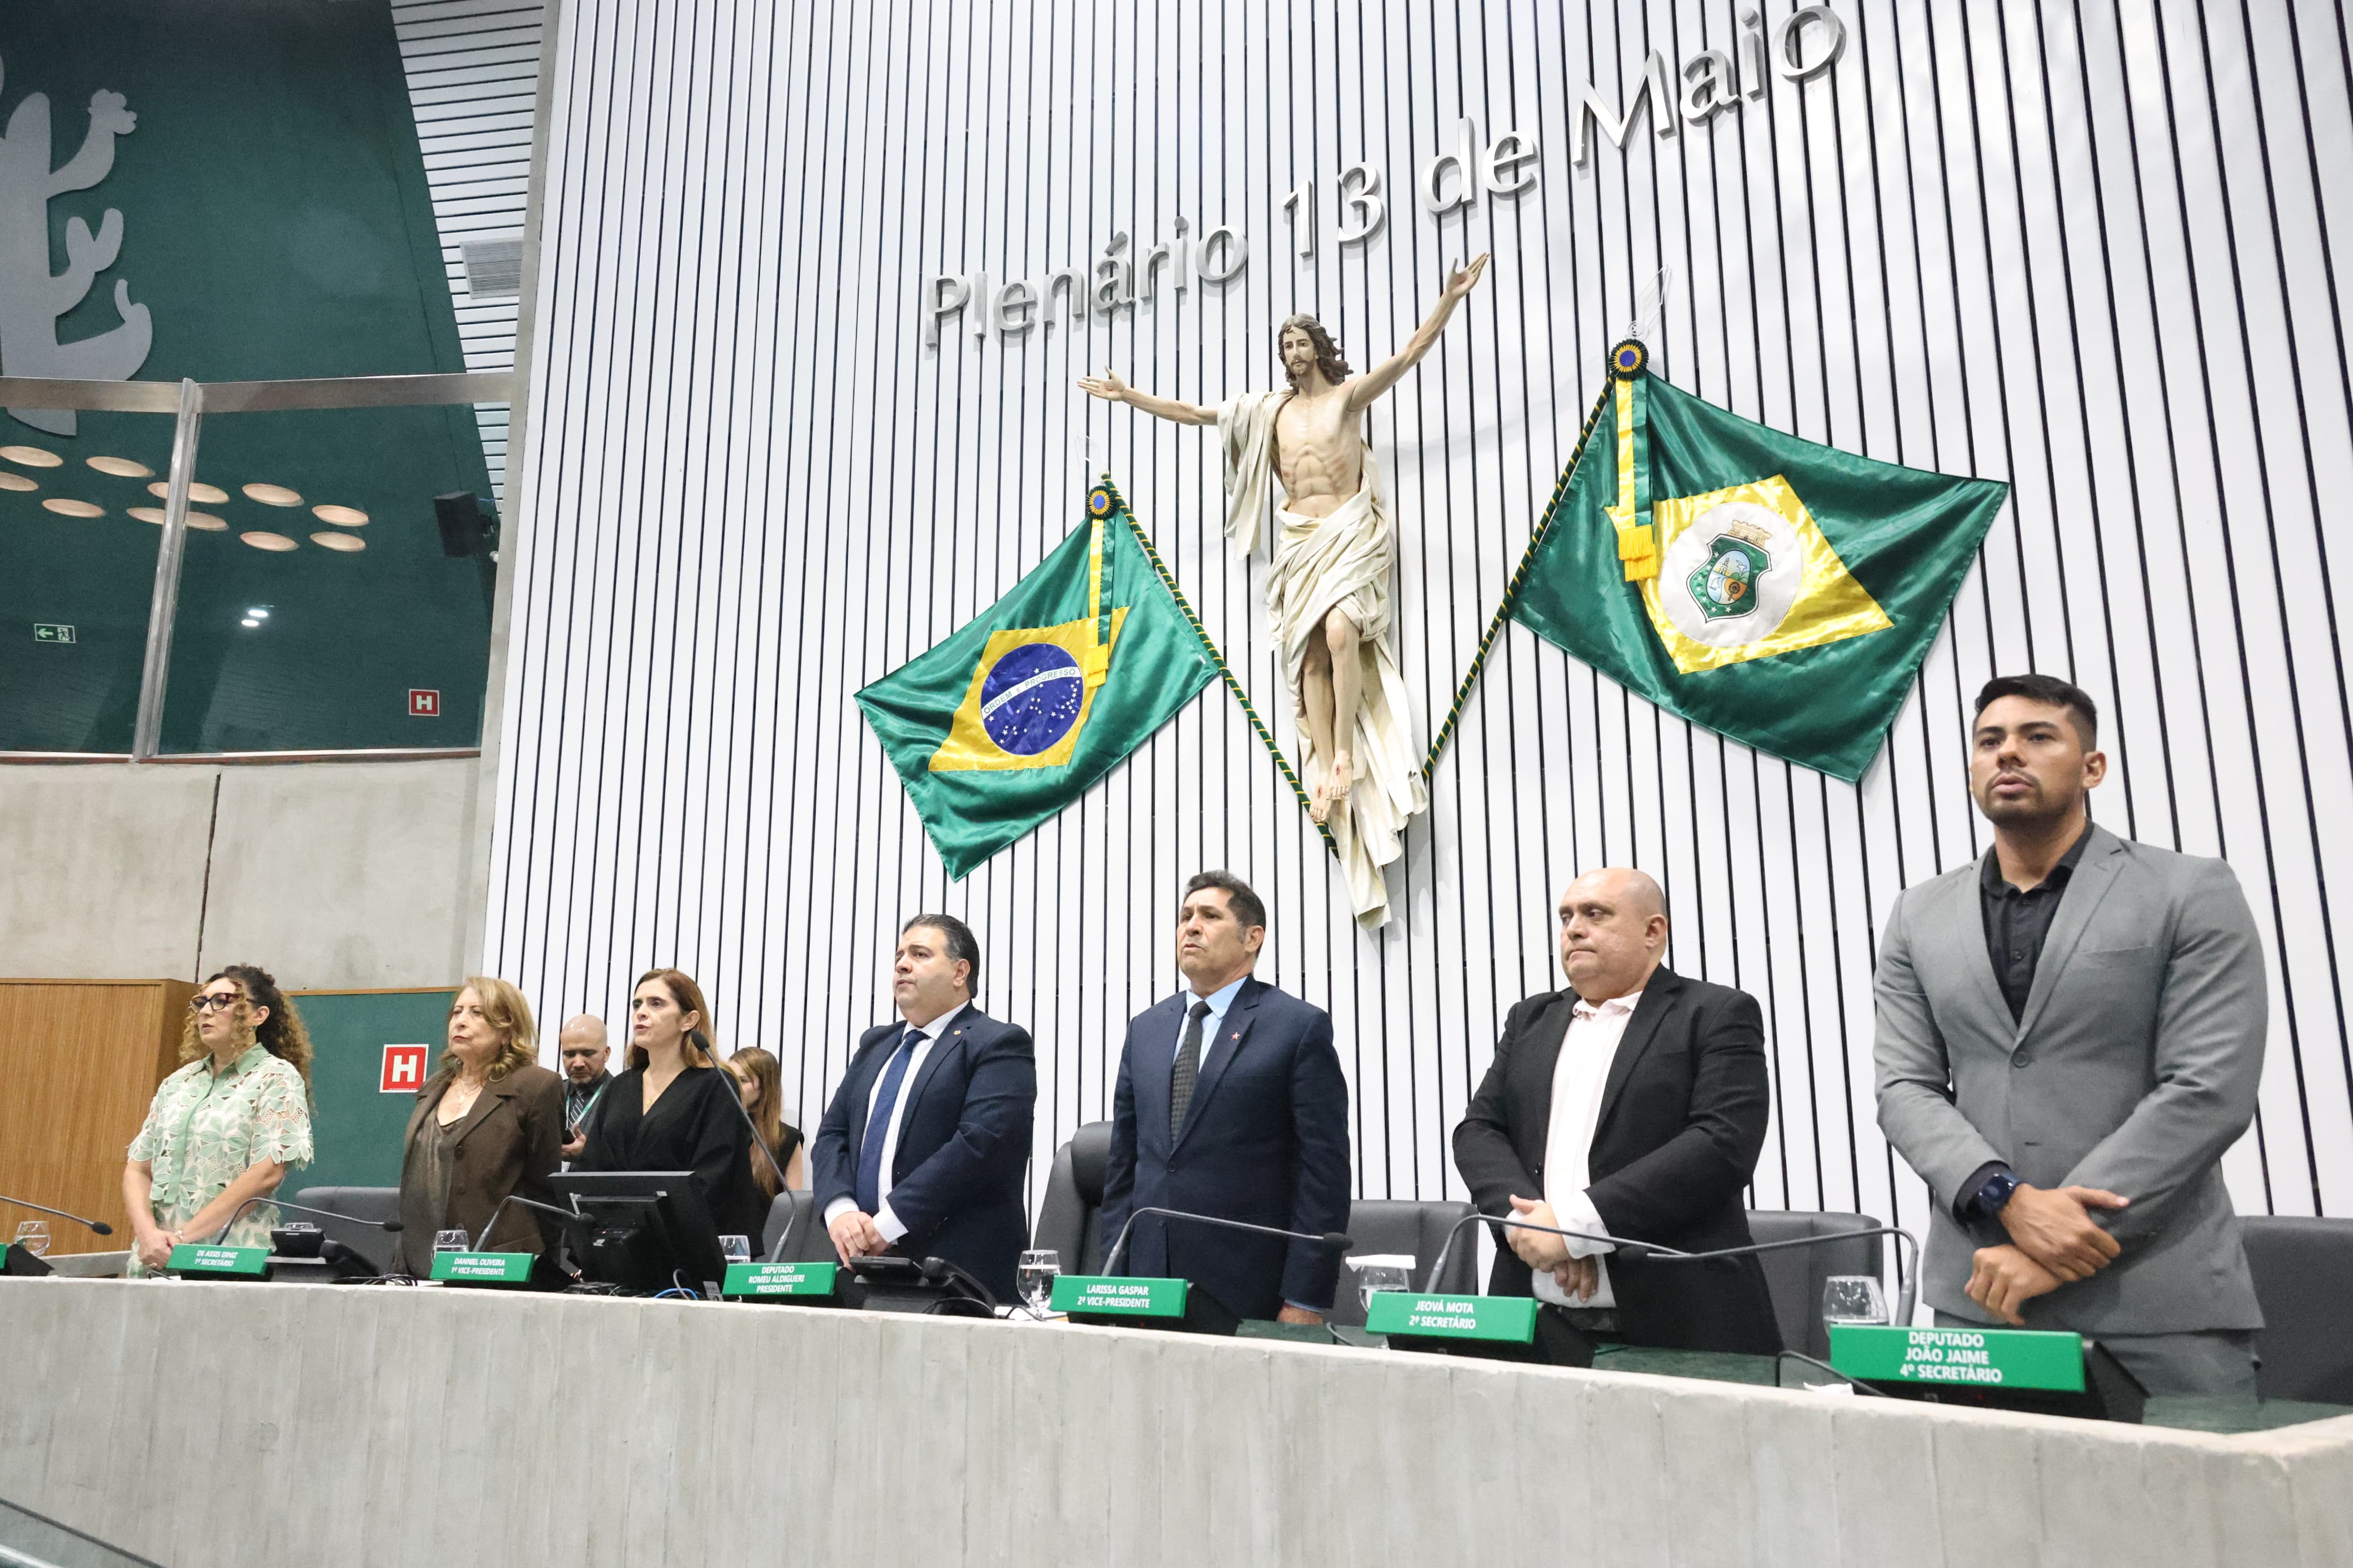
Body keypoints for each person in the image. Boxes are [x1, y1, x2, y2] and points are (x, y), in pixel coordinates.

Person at [1874, 675, 2268, 1397]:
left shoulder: (2188, 890)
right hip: (1979, 1299)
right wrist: (2007, 1199)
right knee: (1981, 1513)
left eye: (2037, 737)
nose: (2008, 755)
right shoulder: (1915, 914)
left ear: (2092, 767)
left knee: (2198, 1512)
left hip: (2157, 1301)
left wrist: (2058, 1245)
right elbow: (1905, 1088)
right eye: (1989, 741)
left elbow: (2207, 1087)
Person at [1078, 256, 1489, 927]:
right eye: (1284, 345)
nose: (1293, 353)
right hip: (1298, 539)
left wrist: (1447, 298)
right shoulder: (1265, 413)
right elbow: (1193, 413)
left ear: (1319, 348)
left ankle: (1349, 754)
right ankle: (1327, 764)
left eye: (1301, 342)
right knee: (1308, 661)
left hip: (1349, 529)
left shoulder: (1345, 397)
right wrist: (1130, 397)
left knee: (1340, 632)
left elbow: (1411, 354)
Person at [1452, 869, 1781, 1355]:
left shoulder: (1715, 1013)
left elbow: (1721, 1144)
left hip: (1681, 1320)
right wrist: (1535, 1227)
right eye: (1566, 917)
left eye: (1594, 914)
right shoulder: (1530, 1019)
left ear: (1654, 931)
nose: (1573, 928)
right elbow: (1479, 1130)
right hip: (1534, 1321)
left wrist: (1575, 1227)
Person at [1098, 872, 1351, 1323]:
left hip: (1248, 1290)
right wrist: (1111, 1277)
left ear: (1253, 937)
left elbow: (1323, 1174)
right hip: (1145, 1285)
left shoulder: (1295, 1027)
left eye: (1210, 916)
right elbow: (1124, 1166)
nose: (1190, 927)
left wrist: (1305, 1298)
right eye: (1185, 916)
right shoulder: (1147, 1029)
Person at [811, 915, 1035, 1302]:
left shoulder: (997, 1043)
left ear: (960, 972)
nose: (901, 964)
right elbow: (831, 1135)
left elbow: (978, 1147)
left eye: (919, 954)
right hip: (860, 1271)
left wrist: (886, 1225)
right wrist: (841, 1212)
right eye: (899, 954)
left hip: (958, 1275)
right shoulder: (876, 1045)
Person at [121, 965, 314, 1277]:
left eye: (222, 1000)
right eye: (201, 1002)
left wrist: (183, 1239)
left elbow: (266, 1173)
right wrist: (148, 1236)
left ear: (258, 1015)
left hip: (227, 1255)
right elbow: (139, 1168)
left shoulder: (276, 1077)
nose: (206, 1011)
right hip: (155, 1256)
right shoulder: (179, 1082)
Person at [571, 969, 765, 1242]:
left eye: (656, 1003)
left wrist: (649, 1228)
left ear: (688, 1020)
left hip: (688, 1244)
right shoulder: (620, 1086)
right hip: (616, 1241)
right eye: (637, 1004)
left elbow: (714, 1179)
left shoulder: (716, 1086)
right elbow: (592, 1170)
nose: (640, 1012)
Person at [394, 977, 567, 1276]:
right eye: (457, 1012)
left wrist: (543, 1267)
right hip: (419, 1258)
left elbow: (546, 1189)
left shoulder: (536, 1086)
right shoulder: (432, 1087)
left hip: (497, 1261)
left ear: (507, 1031)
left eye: (477, 1013)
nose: (460, 1022)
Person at [726, 1047, 804, 1199]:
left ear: (765, 1087)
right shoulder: (715, 1130)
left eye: (742, 1080)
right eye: (730, 1078)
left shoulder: (787, 1138)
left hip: (767, 1222)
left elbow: (794, 1206)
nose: (733, 1086)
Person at [557, 1014, 613, 1163]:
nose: (578, 1063)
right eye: (569, 1054)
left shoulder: (623, 1096)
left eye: (587, 1054)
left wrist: (589, 1153)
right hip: (550, 1185)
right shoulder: (552, 1094)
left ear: (606, 1053)